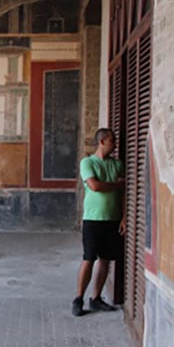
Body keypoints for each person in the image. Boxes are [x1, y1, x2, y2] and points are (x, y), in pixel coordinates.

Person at [72, 127, 126, 317]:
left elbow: (123, 193)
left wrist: (124, 217)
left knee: (105, 260)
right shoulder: (87, 162)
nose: (115, 144)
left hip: (112, 219)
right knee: (89, 259)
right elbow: (94, 186)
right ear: (102, 141)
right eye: (112, 140)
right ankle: (78, 299)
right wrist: (115, 185)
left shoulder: (118, 164)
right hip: (93, 218)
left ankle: (95, 299)